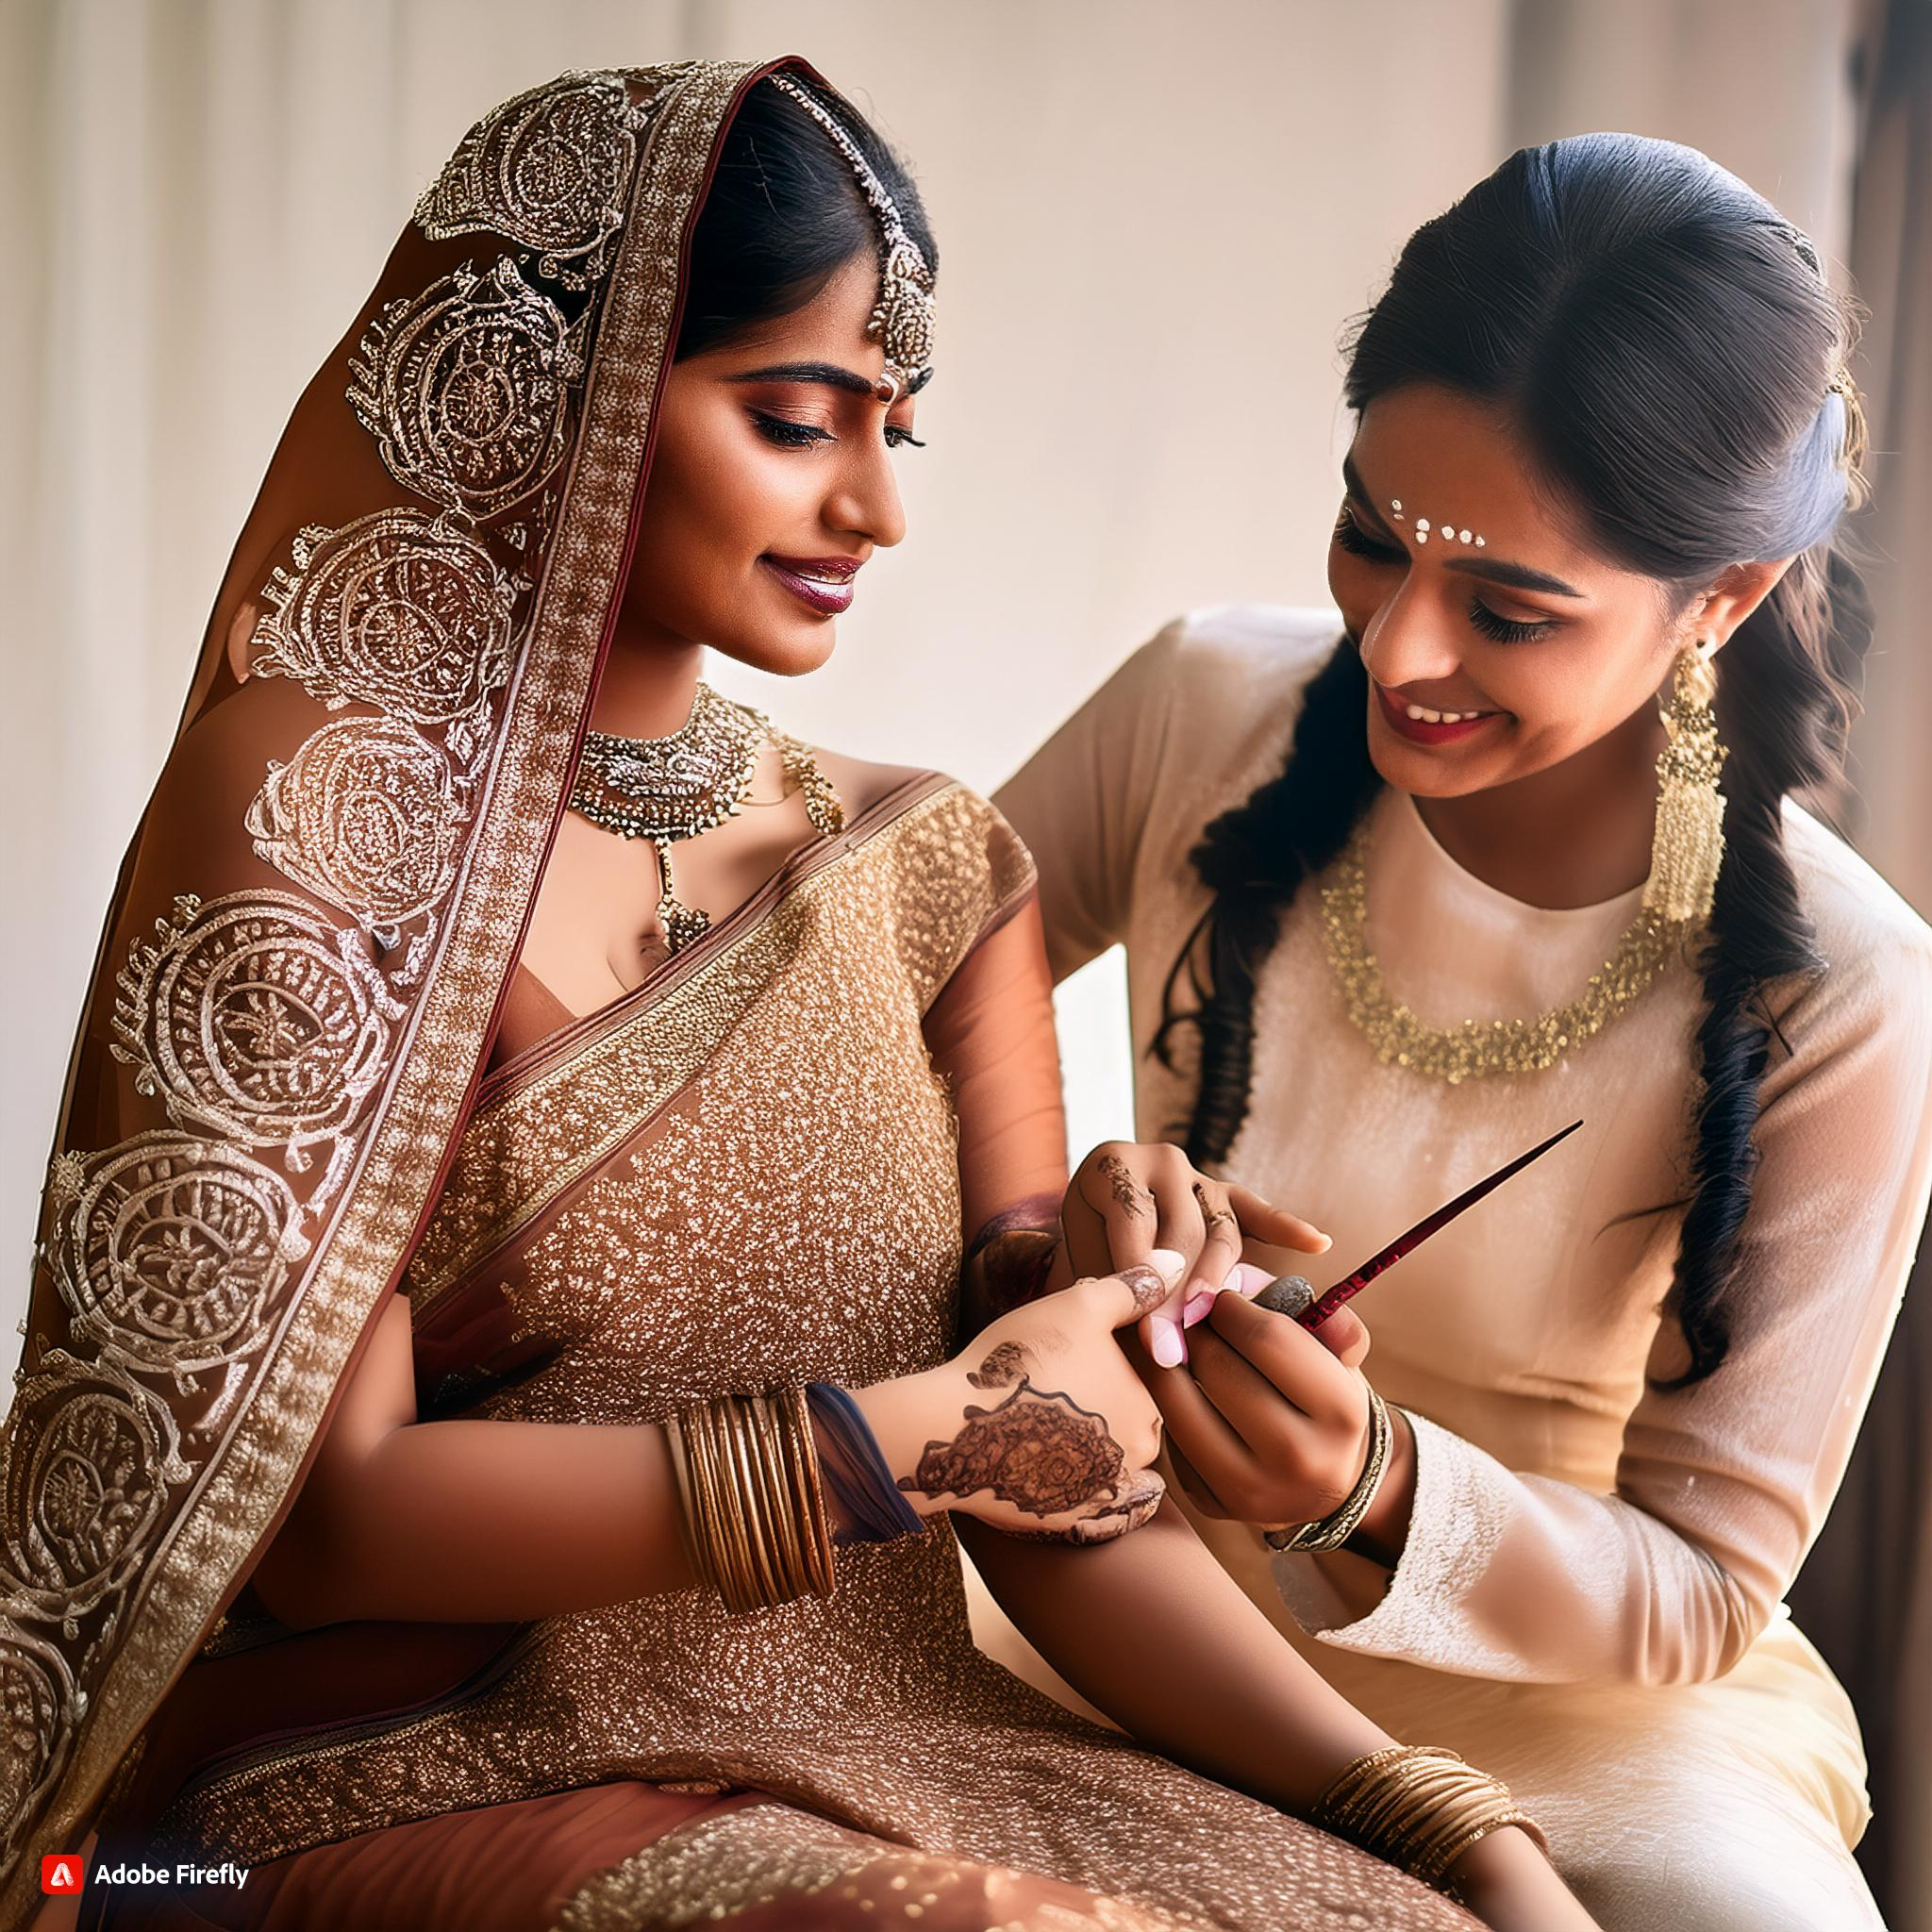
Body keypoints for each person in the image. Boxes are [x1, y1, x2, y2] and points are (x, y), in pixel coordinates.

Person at [0, 60, 1591, 1932]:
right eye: (792, 417)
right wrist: (923, 1426)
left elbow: (1050, 1497)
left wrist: (1441, 1824)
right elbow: (334, 1521)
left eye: (894, 433)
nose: (872, 508)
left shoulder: (923, 867)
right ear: (559, 393)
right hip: (377, 1768)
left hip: (890, 1736)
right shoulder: (324, 800)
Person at [991, 131, 1932, 1932]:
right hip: (1127, 1578)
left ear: (1717, 607)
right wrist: (1057, 1211)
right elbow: (876, 1004)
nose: (1395, 644)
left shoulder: (1845, 988)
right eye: (1368, 536)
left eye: (1507, 610)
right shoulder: (1204, 707)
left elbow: (1702, 1591)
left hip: (1579, 1703)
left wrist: (1376, 1488)